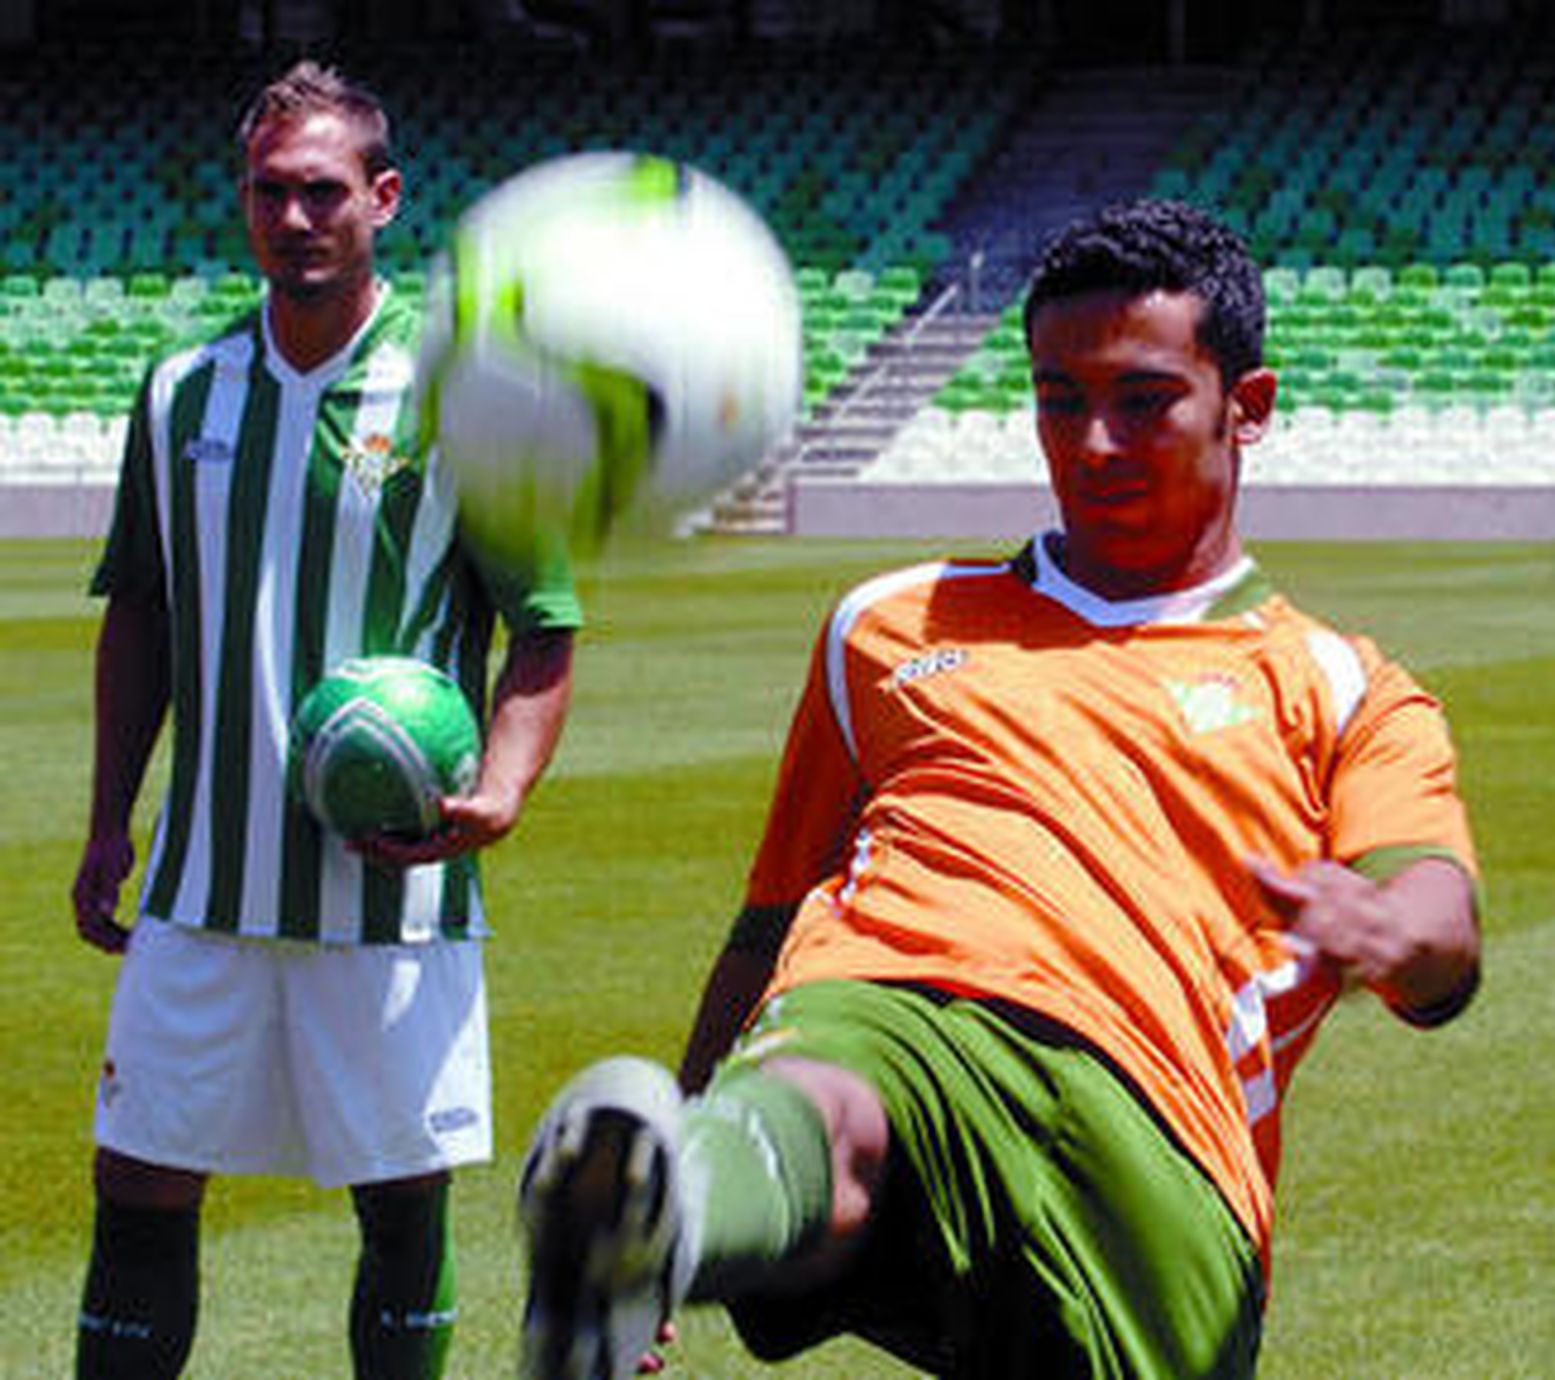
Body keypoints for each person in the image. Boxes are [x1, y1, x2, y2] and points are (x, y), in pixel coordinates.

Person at [515, 200, 1482, 1380]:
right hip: (890, 1004)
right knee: (836, 1078)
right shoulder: (885, 624)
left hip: (1153, 1131)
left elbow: (1438, 921)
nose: (1091, 444)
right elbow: (773, 923)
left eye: (1143, 401)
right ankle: (671, 1216)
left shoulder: (1340, 686)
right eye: (1058, 400)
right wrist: (676, 1163)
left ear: (1250, 406)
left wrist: (1392, 932)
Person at [71, 61, 581, 1380]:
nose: (293, 218)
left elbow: (546, 625)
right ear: (243, 202)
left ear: (384, 198)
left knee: (402, 1202)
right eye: (268, 192)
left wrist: (504, 791)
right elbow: (139, 614)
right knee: (137, 1185)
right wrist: (106, 824)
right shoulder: (180, 390)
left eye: (321, 192)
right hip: (202, 880)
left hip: (392, 894)